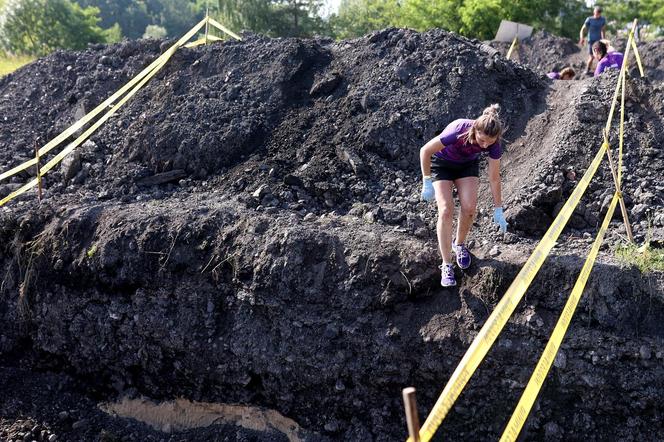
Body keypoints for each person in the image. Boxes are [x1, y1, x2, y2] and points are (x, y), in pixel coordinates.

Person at [420, 105, 508, 287]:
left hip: (466, 166)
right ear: (475, 129)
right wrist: (426, 180)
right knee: (445, 210)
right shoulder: (459, 130)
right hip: (441, 164)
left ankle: (459, 245)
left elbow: (494, 178)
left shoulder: (494, 145)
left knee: (469, 209)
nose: (484, 146)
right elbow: (425, 151)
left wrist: (498, 208)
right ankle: (446, 264)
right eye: (481, 140)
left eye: (488, 143)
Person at [579, 7, 606, 75]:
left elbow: (603, 30)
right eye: (595, 13)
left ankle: (601, 70)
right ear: (594, 12)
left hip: (599, 41)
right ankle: (587, 69)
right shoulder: (589, 19)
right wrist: (582, 38)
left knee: (601, 56)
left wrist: (604, 39)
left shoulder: (602, 20)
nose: (596, 15)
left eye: (598, 14)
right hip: (591, 40)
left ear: (600, 14)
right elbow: (583, 29)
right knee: (592, 56)